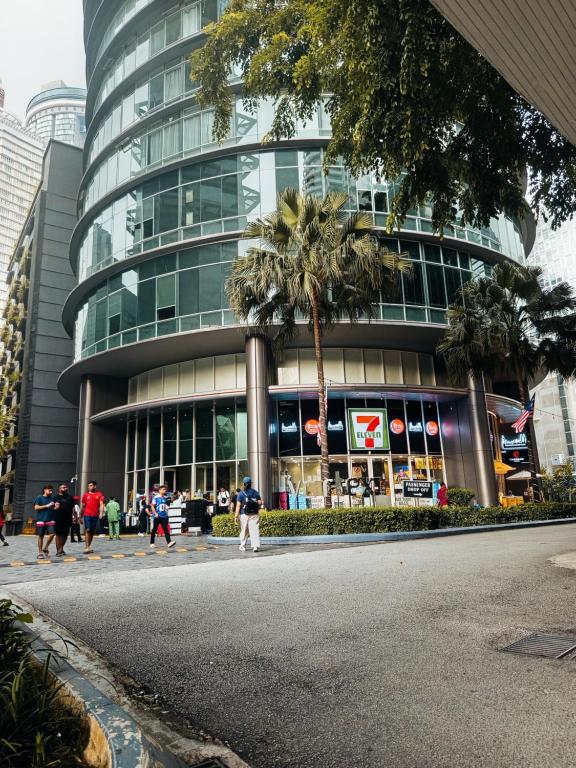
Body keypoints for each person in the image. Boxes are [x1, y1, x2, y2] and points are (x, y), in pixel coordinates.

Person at [235, 476, 263, 553]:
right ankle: (255, 547)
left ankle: (242, 546)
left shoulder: (240, 494)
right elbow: (260, 502)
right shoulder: (255, 492)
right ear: (251, 484)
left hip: (244, 514)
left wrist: (236, 516)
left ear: (244, 484)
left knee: (244, 530)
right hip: (254, 514)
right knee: (254, 530)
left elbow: (238, 506)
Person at [81, 480, 105, 554]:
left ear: (95, 486)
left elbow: (101, 504)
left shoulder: (99, 494)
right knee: (88, 529)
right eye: (88, 486)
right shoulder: (85, 495)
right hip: (87, 514)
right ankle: (87, 547)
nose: (89, 487)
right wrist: (80, 516)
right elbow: (83, 506)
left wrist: (101, 513)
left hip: (95, 515)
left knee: (91, 531)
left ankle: (88, 546)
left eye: (91, 485)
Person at [34, 484, 57, 559]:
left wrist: (56, 507)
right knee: (41, 536)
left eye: (51, 490)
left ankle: (46, 547)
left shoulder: (52, 498)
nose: (51, 491)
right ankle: (40, 552)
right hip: (41, 519)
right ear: (45, 490)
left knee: (52, 534)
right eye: (49, 490)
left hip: (50, 519)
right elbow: (36, 507)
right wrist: (47, 505)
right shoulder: (39, 497)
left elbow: (53, 508)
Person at [53, 483, 75, 557]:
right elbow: (52, 508)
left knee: (65, 534)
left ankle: (61, 548)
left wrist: (75, 517)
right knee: (58, 534)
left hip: (68, 518)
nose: (65, 488)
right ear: (59, 489)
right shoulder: (55, 497)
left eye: (66, 487)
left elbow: (73, 508)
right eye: (63, 487)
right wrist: (55, 508)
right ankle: (59, 550)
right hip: (58, 518)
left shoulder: (70, 497)